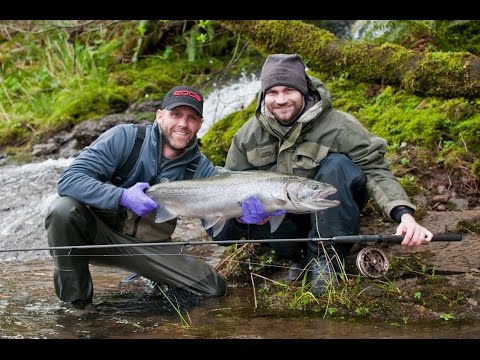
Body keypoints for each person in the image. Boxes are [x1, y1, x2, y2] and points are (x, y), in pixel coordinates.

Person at [213, 54, 433, 295]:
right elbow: (228, 186)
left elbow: (374, 168)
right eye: (272, 92)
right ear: (263, 96)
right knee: (248, 197)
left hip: (333, 210)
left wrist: (403, 215)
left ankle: (326, 259)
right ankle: (300, 257)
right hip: (284, 222)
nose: (281, 99)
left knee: (337, 164)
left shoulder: (340, 126)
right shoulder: (247, 137)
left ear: (304, 90)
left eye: (289, 90)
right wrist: (241, 219)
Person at [45, 85, 228, 310]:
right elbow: (68, 180)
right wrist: (122, 196)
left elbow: (220, 232)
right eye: (176, 114)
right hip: (99, 238)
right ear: (159, 116)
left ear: (200, 124)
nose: (183, 124)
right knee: (63, 210)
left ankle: (151, 275)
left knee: (213, 288)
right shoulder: (125, 139)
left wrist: (243, 216)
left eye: (191, 118)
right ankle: (78, 305)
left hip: (149, 250)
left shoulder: (201, 169)